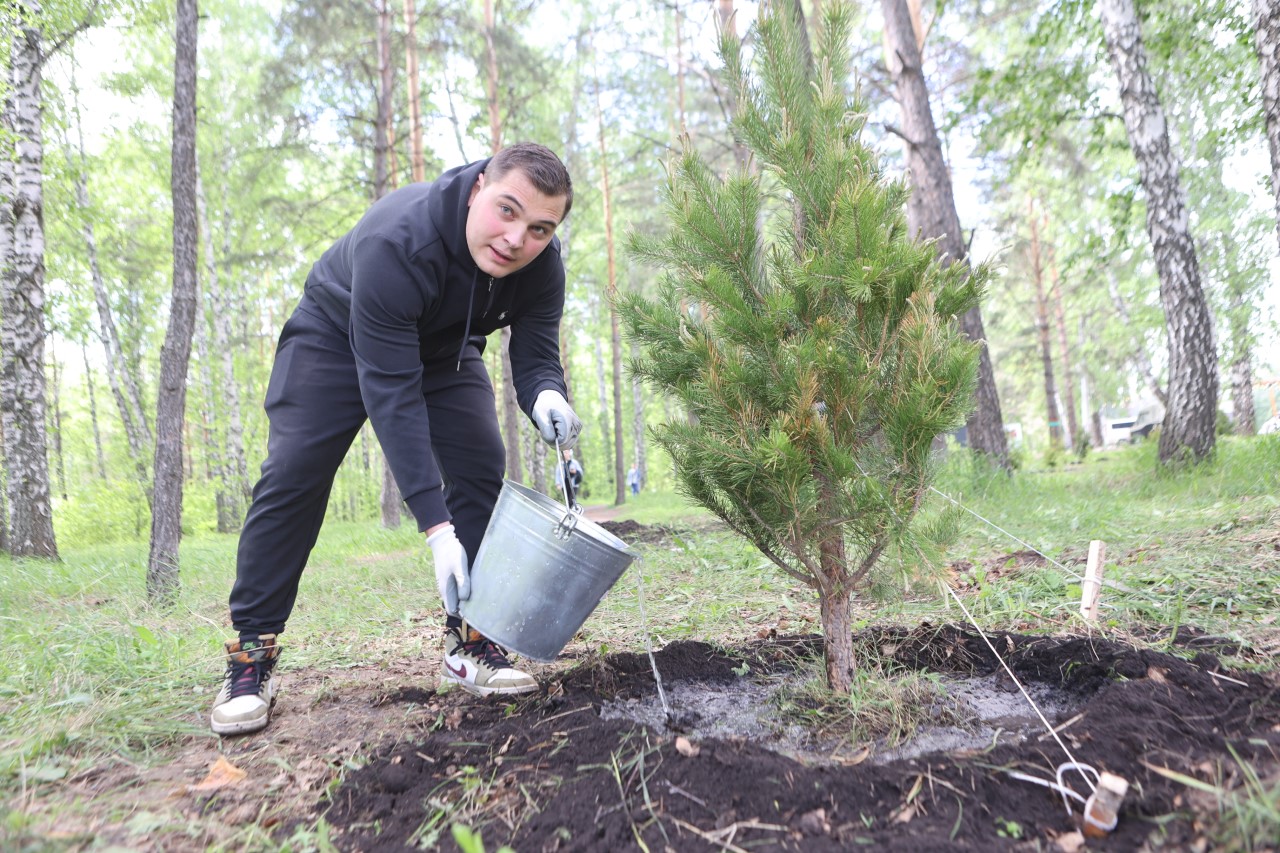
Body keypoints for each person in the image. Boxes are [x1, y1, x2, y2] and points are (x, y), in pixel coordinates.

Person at [210, 143, 581, 736]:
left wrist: (546, 396)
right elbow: (392, 397)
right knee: (294, 472)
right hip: (334, 335)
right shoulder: (399, 239)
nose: (517, 239)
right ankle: (252, 654)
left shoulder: (541, 264)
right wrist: (437, 531)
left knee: (482, 460)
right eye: (506, 212)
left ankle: (471, 643)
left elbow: (536, 354)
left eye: (539, 228)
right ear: (479, 186)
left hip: (444, 350)